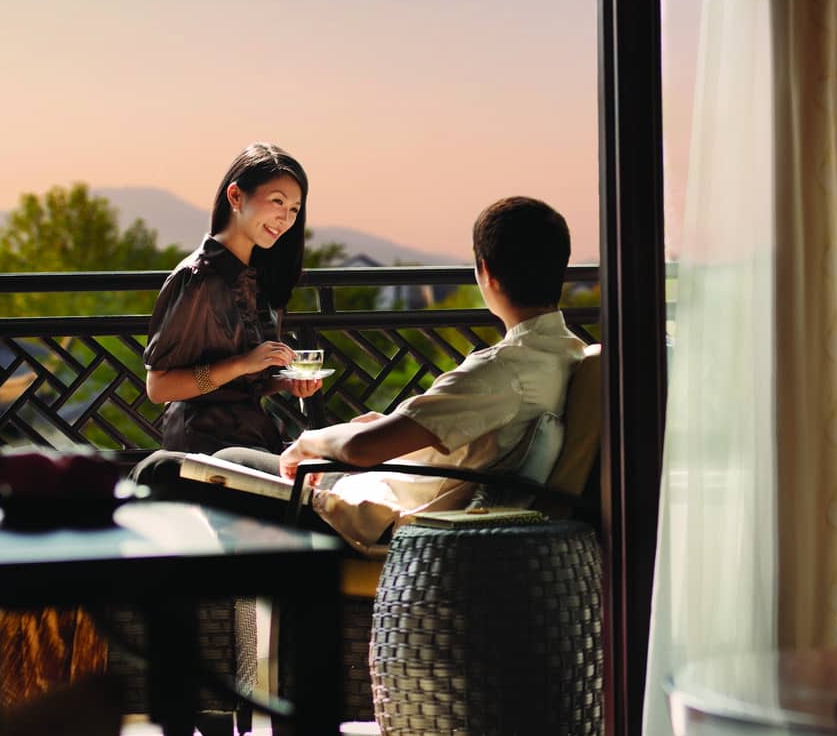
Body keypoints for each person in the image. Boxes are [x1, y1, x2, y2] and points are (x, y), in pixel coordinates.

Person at [133, 196, 584, 556]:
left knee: (163, 469)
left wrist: (310, 443)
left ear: (484, 272)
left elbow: (362, 449)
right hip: (383, 488)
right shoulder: (566, 354)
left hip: (377, 518)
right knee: (229, 456)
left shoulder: (502, 372)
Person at [144, 142, 321, 454]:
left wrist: (283, 382)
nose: (285, 219)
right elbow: (159, 387)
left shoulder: (256, 278)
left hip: (251, 436)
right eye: (277, 201)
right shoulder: (196, 279)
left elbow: (238, 385)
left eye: (294, 209)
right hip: (205, 444)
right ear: (236, 196)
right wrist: (242, 363)